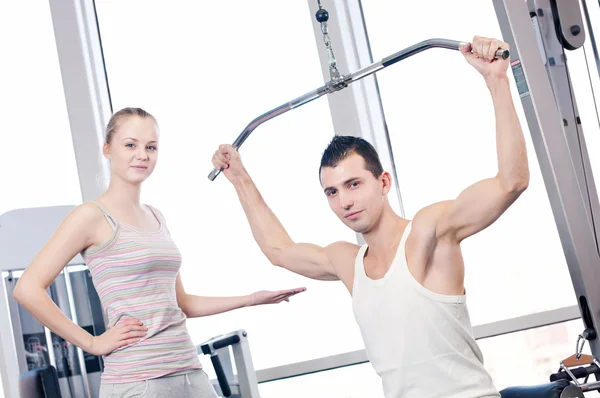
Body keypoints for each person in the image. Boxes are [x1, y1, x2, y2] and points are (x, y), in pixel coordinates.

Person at [211, 36, 529, 398]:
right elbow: (278, 251)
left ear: (383, 182)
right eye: (332, 192)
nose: (344, 200)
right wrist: (238, 177)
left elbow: (511, 183)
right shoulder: (348, 262)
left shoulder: (429, 231)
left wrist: (497, 82)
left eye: (353, 184)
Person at [13, 107, 306, 398]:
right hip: (138, 381)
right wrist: (92, 343)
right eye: (130, 145)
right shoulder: (91, 216)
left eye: (150, 147)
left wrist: (252, 299)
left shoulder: (156, 217)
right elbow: (27, 288)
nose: (142, 154)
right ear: (107, 149)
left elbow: (182, 303)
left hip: (189, 372)